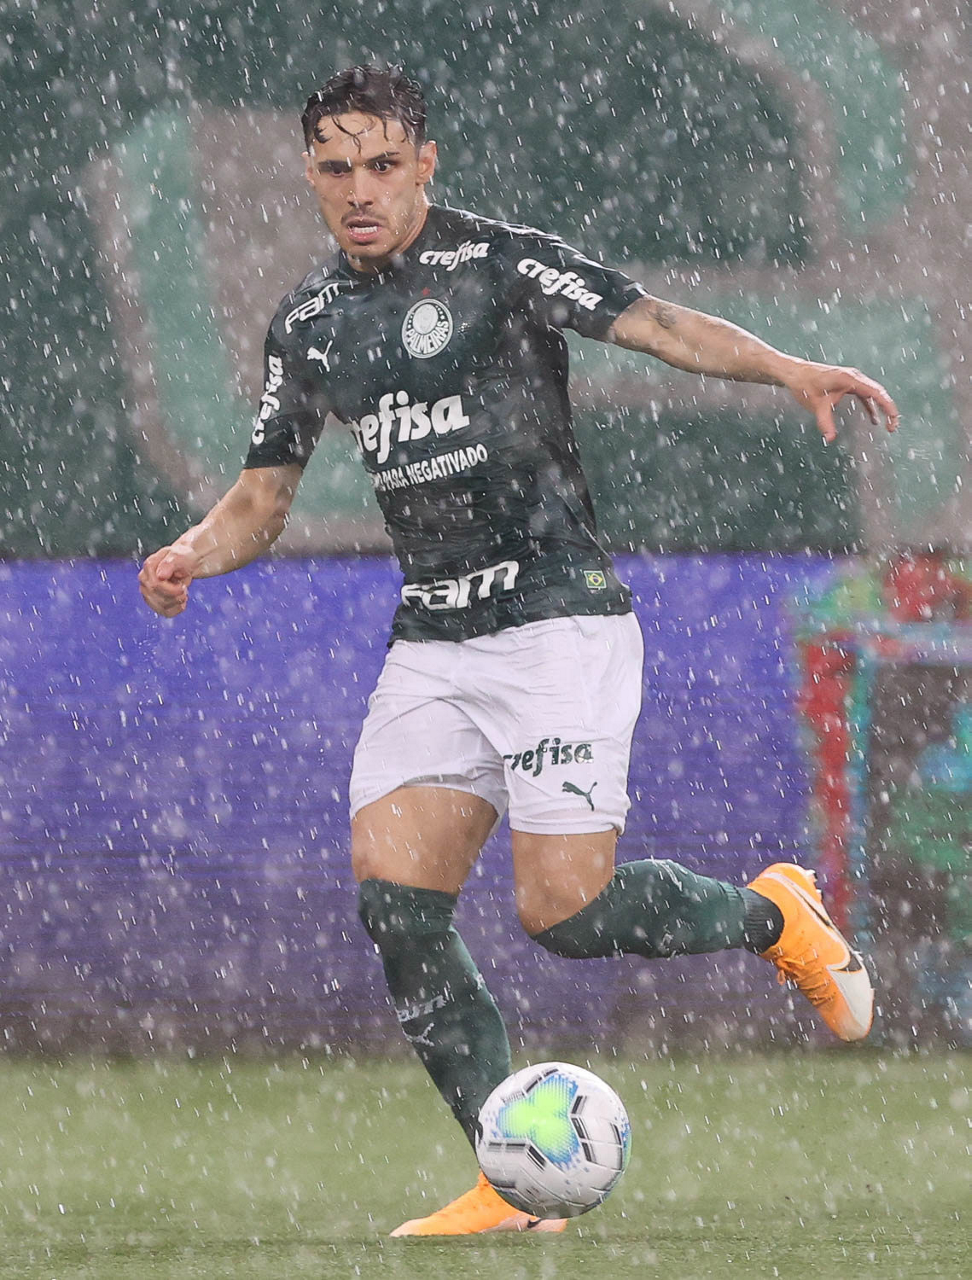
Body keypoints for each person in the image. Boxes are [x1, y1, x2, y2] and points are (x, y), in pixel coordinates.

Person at [139, 66, 899, 1236]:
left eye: (382, 164)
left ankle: (775, 914)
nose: (360, 189)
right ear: (309, 175)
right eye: (336, 169)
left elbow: (658, 323)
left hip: (556, 620)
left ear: (424, 164)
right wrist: (194, 551)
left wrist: (790, 368)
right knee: (398, 909)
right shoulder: (310, 324)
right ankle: (515, 1182)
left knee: (565, 915)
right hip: (435, 640)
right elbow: (260, 499)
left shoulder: (500, 263)